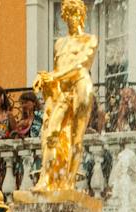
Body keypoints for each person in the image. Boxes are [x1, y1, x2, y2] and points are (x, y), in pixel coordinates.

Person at [33, 0, 95, 192]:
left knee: (76, 138)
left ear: (82, 15)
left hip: (82, 87)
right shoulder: (59, 44)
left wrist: (53, 75)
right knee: (51, 133)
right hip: (63, 91)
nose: (71, 19)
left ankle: (69, 181)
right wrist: (45, 80)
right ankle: (46, 178)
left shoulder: (89, 40)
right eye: (68, 15)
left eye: (75, 14)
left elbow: (80, 66)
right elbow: (58, 70)